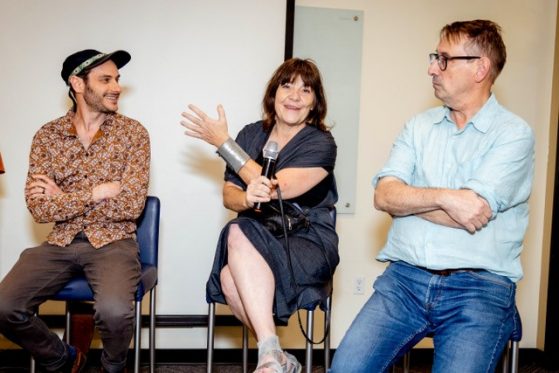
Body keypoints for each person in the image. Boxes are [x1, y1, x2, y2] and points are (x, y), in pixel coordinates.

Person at [330, 20, 534, 373]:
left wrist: (411, 201)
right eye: (433, 58)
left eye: (443, 59)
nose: (431, 69)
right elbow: (384, 194)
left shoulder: (514, 134)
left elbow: (474, 211)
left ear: (480, 68)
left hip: (478, 289)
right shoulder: (418, 126)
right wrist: (447, 197)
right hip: (404, 281)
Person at [181, 58, 338, 373]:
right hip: (258, 233)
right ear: (273, 93)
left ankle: (269, 356)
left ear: (314, 103)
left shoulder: (322, 143)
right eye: (287, 85)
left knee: (237, 233)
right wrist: (245, 196)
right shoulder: (252, 134)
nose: (294, 96)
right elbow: (230, 195)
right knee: (228, 276)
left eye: (305, 90)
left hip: (306, 240)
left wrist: (224, 144)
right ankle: (273, 355)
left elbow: (278, 189)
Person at [0, 49, 150, 373]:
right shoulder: (47, 137)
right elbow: (39, 208)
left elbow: (132, 204)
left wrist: (64, 197)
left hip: (114, 242)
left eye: (117, 79)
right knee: (4, 306)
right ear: (78, 84)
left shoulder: (133, 134)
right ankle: (64, 359)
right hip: (60, 242)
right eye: (105, 79)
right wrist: (96, 192)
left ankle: (113, 367)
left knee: (114, 312)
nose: (117, 87)